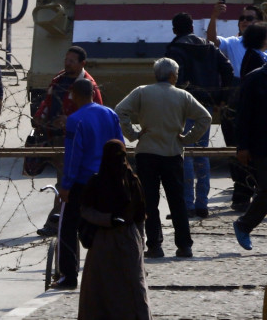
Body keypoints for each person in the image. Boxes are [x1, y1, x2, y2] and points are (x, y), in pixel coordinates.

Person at [115, 57, 211, 259]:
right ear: (172, 75)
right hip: (172, 153)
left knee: (149, 202)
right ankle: (184, 246)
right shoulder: (182, 96)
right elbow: (205, 118)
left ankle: (154, 245)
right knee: (177, 202)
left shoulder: (141, 91)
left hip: (147, 153)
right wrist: (188, 139)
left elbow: (120, 111)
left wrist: (133, 134)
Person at [55, 78, 123, 290]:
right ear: (93, 94)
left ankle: (69, 275)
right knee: (105, 225)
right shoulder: (110, 114)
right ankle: (109, 274)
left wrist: (66, 185)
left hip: (83, 181)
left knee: (67, 228)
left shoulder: (75, 120)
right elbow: (119, 146)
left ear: (75, 95)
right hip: (107, 180)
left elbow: (74, 155)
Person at [165, 12, 233, 219]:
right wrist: (222, 96)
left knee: (184, 153)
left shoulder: (175, 49)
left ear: (175, 29)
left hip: (184, 106)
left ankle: (187, 204)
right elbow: (227, 68)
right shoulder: (209, 47)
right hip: (207, 104)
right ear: (192, 27)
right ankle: (202, 203)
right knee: (201, 152)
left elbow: (175, 78)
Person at [32, 46, 102, 237]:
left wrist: (69, 120)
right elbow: (47, 102)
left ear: (82, 64)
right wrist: (40, 118)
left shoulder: (88, 86)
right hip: (55, 136)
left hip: (74, 139)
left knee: (66, 181)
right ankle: (69, 220)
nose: (67, 63)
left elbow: (93, 113)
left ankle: (57, 222)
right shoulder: (59, 79)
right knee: (63, 180)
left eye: (72, 61)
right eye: (66, 59)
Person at [78, 139, 151, 320]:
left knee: (134, 289)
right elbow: (86, 210)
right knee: (100, 291)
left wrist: (141, 244)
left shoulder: (132, 182)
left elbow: (140, 215)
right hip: (104, 241)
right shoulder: (97, 182)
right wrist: (108, 220)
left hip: (127, 239)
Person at [207, 2, 263, 210]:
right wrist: (213, 16)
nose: (245, 22)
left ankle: (258, 189)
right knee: (235, 145)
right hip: (238, 93)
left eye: (250, 18)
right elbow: (212, 40)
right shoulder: (233, 43)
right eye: (242, 19)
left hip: (261, 93)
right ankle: (241, 191)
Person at [234, 61, 267, 251]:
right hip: (261, 145)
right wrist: (243, 146)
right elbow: (243, 115)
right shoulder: (255, 79)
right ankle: (244, 224)